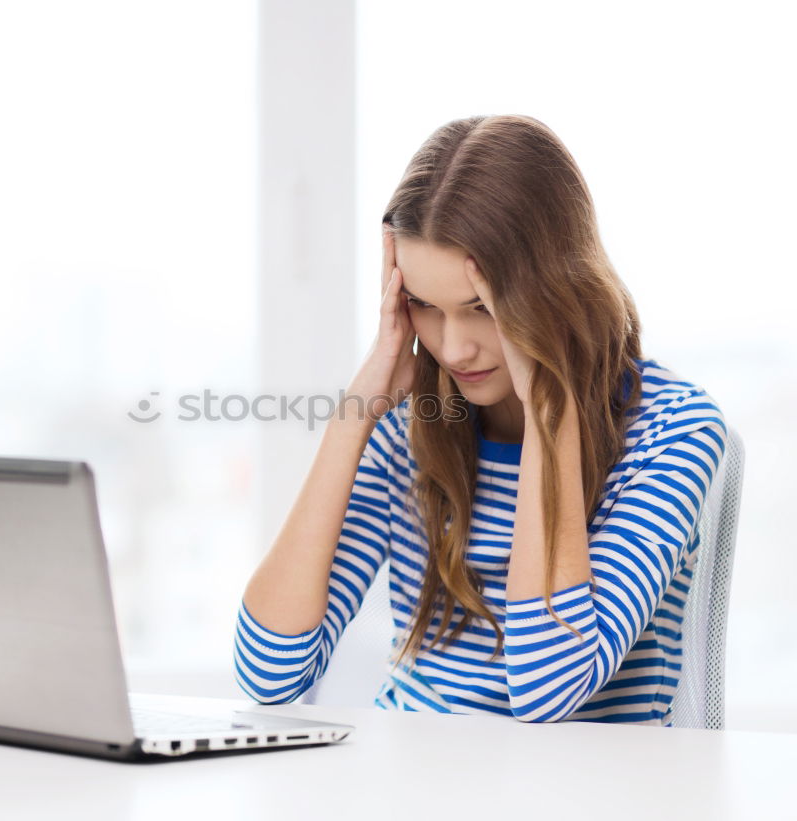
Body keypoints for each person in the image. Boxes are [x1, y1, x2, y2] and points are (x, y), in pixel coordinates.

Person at [233, 114, 727, 725]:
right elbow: (269, 674)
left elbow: (547, 691)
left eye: (482, 309)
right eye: (423, 306)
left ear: (555, 288)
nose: (455, 348)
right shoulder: (410, 427)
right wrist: (356, 414)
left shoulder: (673, 429)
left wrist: (549, 414)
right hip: (410, 782)